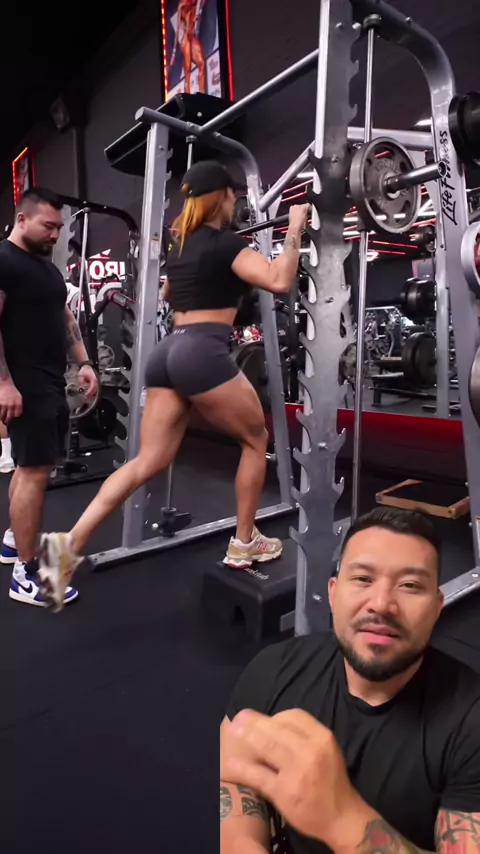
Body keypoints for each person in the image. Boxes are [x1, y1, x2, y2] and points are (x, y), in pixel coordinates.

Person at [37, 160, 309, 610]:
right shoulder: (226, 243)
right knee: (255, 439)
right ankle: (244, 542)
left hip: (167, 353)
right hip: (202, 351)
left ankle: (65, 547)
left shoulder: (180, 246)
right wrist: (294, 227)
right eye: (233, 194)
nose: (237, 201)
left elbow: (167, 294)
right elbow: (279, 280)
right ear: (222, 196)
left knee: (147, 460)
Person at [220, 507, 480, 854]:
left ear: (436, 608)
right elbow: (235, 783)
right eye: (363, 579)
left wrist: (341, 818)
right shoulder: (273, 670)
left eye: (410, 585)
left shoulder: (471, 722)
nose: (381, 604)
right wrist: (244, 843)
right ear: (332, 593)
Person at [0, 187, 98, 606]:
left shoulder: (46, 268)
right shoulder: (4, 261)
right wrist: (4, 384)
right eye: (48, 226)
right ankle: (26, 573)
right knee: (35, 472)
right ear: (22, 219)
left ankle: (12, 541)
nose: (56, 234)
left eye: (59, 227)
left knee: (31, 468)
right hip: (24, 382)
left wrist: (84, 362)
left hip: (50, 379)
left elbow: (64, 318)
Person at [170, 0, 206, 93]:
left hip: (192, 37)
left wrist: (197, 15)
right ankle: (188, 98)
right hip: (186, 39)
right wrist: (174, 52)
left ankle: (202, 94)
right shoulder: (182, 4)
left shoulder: (195, 2)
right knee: (187, 74)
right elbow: (178, 29)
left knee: (202, 64)